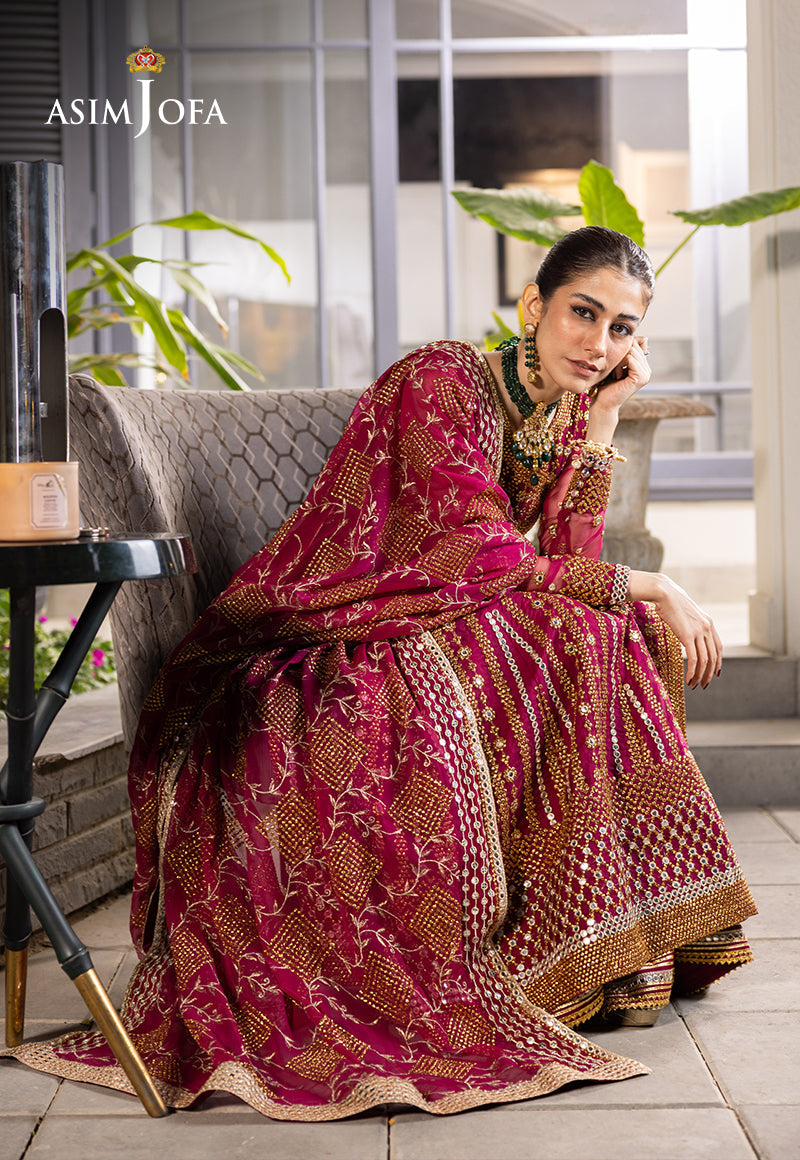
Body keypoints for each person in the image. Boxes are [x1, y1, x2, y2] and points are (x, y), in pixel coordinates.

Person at [7, 226, 755, 1117]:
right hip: (333, 620)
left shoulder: (556, 413)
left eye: (622, 328)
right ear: (534, 306)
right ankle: (563, 948)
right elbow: (477, 555)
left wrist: (602, 421)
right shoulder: (444, 379)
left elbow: (567, 556)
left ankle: (610, 943)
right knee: (589, 626)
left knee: (606, 629)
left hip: (436, 611)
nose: (599, 344)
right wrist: (655, 583)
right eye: (582, 314)